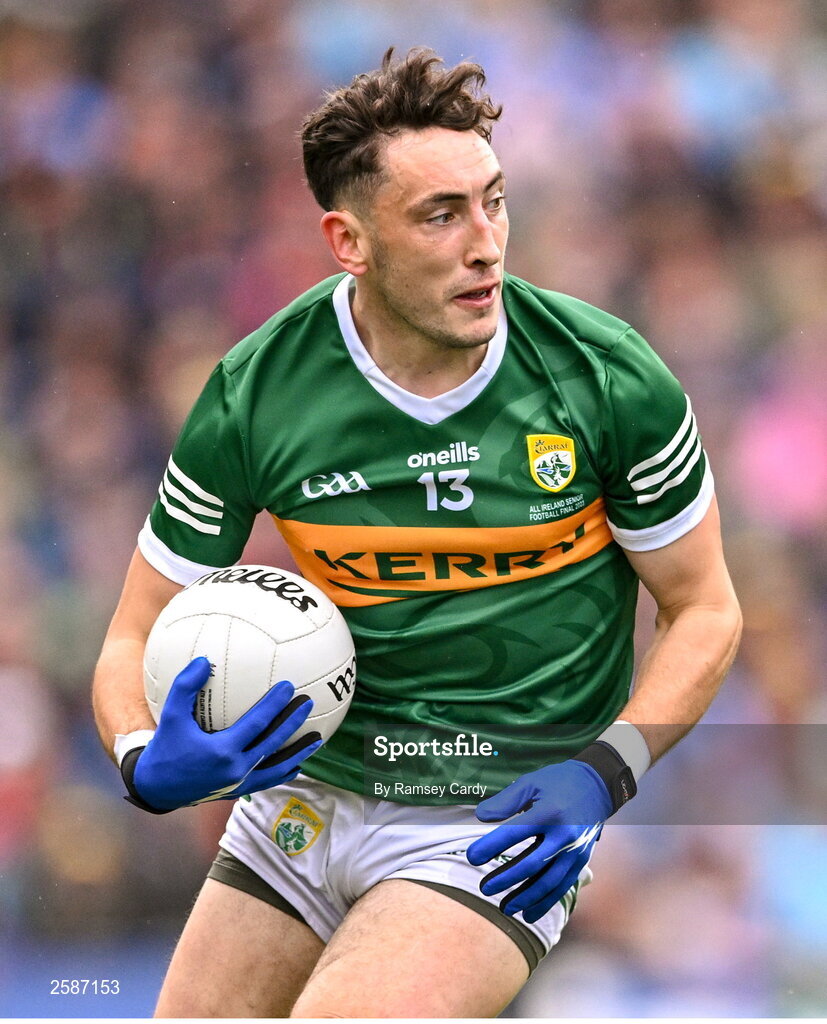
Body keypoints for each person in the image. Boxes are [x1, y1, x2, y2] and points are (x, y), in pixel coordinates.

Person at [92, 47, 742, 1018]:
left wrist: (605, 771)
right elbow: (129, 634)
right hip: (301, 801)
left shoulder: (608, 379)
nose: (485, 243)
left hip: (492, 817)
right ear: (347, 241)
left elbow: (704, 609)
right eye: (441, 214)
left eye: (493, 200)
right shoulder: (256, 393)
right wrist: (144, 759)